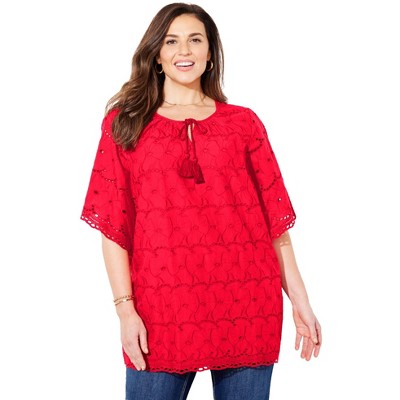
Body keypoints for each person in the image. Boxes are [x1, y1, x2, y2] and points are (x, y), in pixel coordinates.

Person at [81, 3, 322, 399]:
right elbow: (113, 226)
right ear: (156, 54)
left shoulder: (243, 124)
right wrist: (125, 309)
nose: (184, 51)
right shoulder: (126, 124)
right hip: (162, 309)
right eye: (171, 41)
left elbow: (274, 224)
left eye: (195, 40)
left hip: (246, 302)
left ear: (210, 53)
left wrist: (300, 300)